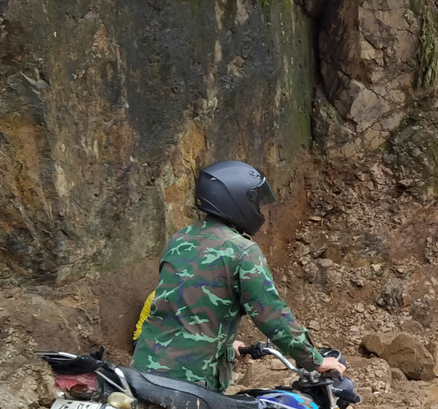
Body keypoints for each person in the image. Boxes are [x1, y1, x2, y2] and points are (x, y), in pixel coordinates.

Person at [133, 160, 343, 390]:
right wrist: (315, 360)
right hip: (191, 380)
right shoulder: (242, 250)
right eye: (255, 201)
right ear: (236, 199)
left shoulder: (179, 240)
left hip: (144, 370)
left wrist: (224, 345)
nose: (258, 210)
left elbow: (181, 306)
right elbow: (271, 314)